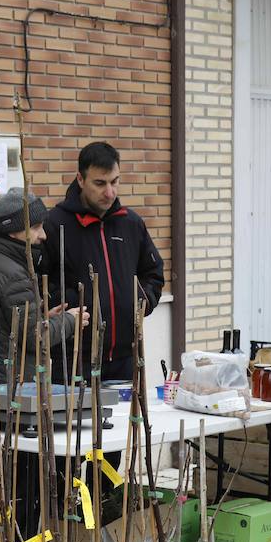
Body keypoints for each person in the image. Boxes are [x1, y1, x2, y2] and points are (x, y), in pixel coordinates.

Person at [43, 142, 164, 383]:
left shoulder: (131, 223)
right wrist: (71, 305)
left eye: (115, 182)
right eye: (100, 183)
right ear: (80, 179)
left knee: (126, 422)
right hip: (74, 359)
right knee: (79, 423)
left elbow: (154, 273)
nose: (109, 192)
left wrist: (141, 302)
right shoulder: (55, 224)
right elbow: (40, 283)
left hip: (126, 357)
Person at [0, 187, 87, 387]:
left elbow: (8, 325)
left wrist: (44, 319)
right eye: (36, 227)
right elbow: (36, 338)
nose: (43, 235)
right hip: (12, 388)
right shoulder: (12, 275)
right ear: (12, 230)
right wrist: (70, 320)